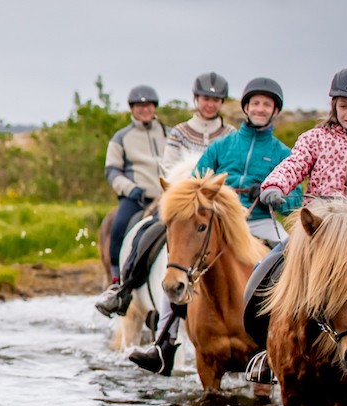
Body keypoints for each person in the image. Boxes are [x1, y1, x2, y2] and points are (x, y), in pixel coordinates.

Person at [127, 76, 301, 374]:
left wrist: (275, 196)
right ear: (246, 107)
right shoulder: (223, 146)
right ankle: (164, 342)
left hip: (260, 221)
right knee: (179, 263)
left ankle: (290, 341)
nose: (260, 109)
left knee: (294, 258)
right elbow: (195, 181)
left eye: (266, 105)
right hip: (221, 222)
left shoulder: (283, 153)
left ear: (275, 111)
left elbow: (295, 198)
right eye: (255, 103)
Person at [246, 66, 347, 383]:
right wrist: (274, 186)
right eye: (344, 105)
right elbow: (293, 165)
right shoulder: (314, 139)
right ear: (334, 105)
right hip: (319, 229)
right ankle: (266, 350)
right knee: (266, 270)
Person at [96, 72, 231, 317]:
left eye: (215, 99)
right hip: (164, 198)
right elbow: (161, 167)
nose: (210, 104)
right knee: (126, 230)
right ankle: (121, 286)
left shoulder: (229, 133)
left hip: (214, 203)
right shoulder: (171, 133)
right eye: (205, 99)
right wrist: (130, 189)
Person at [94, 85, 166, 316]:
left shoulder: (169, 134)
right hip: (137, 197)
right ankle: (117, 284)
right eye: (139, 106)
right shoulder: (121, 137)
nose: (144, 110)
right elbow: (112, 170)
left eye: (148, 105)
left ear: (154, 107)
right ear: (132, 109)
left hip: (167, 196)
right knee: (118, 227)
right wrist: (130, 189)